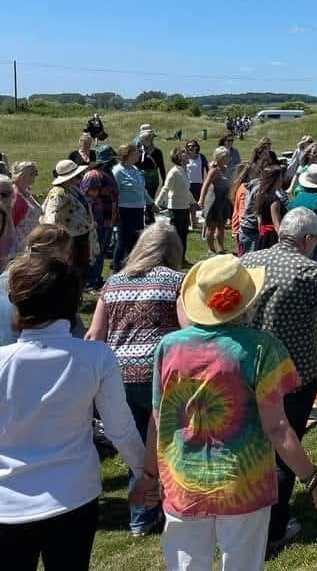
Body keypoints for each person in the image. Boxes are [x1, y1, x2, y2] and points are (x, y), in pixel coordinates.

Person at [144, 254, 317, 570]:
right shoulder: (262, 348)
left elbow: (158, 417)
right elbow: (277, 427)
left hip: (183, 481)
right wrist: (313, 480)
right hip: (245, 483)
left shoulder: (169, 346)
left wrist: (149, 475)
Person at [0, 254, 154, 570]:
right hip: (73, 496)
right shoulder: (96, 357)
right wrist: (143, 474)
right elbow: (120, 428)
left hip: (8, 502)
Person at [241, 207, 317, 551]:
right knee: (284, 448)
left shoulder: (247, 262)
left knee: (253, 446)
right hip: (293, 376)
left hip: (247, 371)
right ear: (308, 239)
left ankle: (247, 514)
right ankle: (273, 529)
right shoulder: (311, 272)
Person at [85, 224, 186, 536]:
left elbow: (94, 335)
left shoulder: (113, 283)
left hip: (117, 377)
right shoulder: (177, 281)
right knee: (167, 447)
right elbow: (188, 331)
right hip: (160, 373)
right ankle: (171, 507)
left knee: (136, 449)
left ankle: (141, 516)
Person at [41, 159, 97, 277]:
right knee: (72, 271)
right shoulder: (58, 193)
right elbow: (51, 215)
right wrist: (57, 237)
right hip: (70, 239)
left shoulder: (73, 189)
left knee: (81, 269)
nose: (80, 177)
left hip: (81, 236)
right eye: (78, 175)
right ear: (70, 177)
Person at [79, 147, 119, 288]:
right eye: (112, 160)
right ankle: (89, 281)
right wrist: (92, 220)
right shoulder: (93, 175)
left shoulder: (108, 173)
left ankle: (97, 278)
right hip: (97, 220)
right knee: (94, 252)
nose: (115, 162)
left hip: (108, 220)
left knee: (101, 251)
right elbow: (88, 199)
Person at [112, 144, 155, 270]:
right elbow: (114, 193)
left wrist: (151, 203)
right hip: (124, 211)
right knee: (123, 241)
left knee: (136, 241)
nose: (139, 154)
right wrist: (115, 211)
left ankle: (131, 269)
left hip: (138, 210)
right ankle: (116, 269)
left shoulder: (135, 169)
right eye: (136, 152)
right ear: (128, 154)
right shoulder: (118, 171)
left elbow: (142, 190)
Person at [155, 146, 197, 262]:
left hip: (185, 208)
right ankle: (172, 259)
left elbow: (186, 190)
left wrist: (194, 202)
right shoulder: (174, 172)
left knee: (183, 235)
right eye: (183, 152)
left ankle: (182, 259)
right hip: (175, 209)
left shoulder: (184, 171)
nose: (186, 154)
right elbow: (166, 188)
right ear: (178, 157)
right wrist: (156, 204)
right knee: (176, 236)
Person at [197, 145, 232, 256]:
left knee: (221, 226)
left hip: (223, 201)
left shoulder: (225, 169)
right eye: (227, 156)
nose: (229, 158)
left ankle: (220, 248)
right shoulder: (214, 170)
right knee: (211, 227)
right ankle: (211, 250)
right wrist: (201, 200)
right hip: (214, 201)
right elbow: (205, 185)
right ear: (220, 158)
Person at [9, 161, 42, 260]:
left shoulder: (26, 192)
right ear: (21, 175)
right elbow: (9, 224)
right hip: (19, 248)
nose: (35, 175)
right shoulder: (15, 196)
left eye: (36, 172)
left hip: (31, 244)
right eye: (32, 173)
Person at [252, 164, 288, 251]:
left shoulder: (261, 195)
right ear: (275, 180)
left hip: (263, 236)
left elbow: (260, 221)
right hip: (272, 238)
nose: (282, 179)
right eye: (280, 177)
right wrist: (284, 242)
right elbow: (276, 224)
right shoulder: (274, 200)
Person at [135, 128, 167, 221]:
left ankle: (150, 217)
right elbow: (134, 166)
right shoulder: (138, 152)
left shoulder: (157, 152)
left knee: (150, 198)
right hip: (140, 178)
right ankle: (144, 217)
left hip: (153, 179)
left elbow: (161, 167)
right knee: (141, 199)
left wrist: (164, 180)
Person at [184, 139, 208, 205]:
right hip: (187, 184)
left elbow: (208, 170)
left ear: (197, 147)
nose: (190, 147)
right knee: (187, 204)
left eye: (193, 146)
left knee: (197, 204)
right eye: (188, 146)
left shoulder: (201, 157)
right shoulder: (185, 157)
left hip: (198, 185)